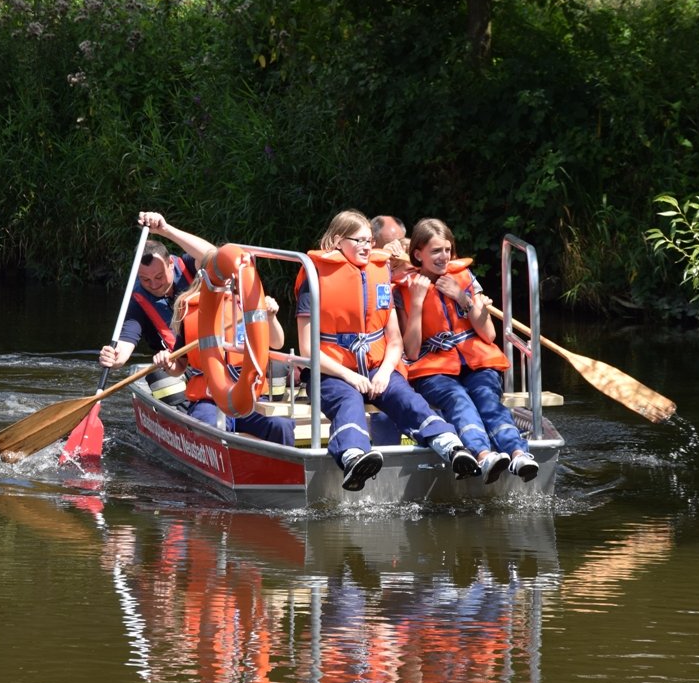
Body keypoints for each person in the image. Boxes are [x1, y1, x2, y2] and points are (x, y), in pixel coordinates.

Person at [294, 209, 479, 491]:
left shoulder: (379, 274)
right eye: (359, 241)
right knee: (347, 400)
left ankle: (450, 446)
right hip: (331, 370)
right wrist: (351, 376)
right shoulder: (314, 279)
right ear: (336, 241)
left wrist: (383, 372)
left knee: (404, 395)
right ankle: (354, 456)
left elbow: (395, 341)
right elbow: (308, 349)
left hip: (377, 364)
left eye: (370, 240)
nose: (367, 247)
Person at [395, 217, 540, 483]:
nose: (444, 257)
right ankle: (483, 455)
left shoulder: (463, 278)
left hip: (476, 362)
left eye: (448, 250)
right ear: (418, 254)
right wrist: (416, 304)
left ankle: (519, 453)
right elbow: (412, 352)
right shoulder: (404, 289)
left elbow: (490, 334)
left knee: (486, 397)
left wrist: (462, 297)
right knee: (458, 399)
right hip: (434, 369)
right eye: (436, 251)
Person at [153, 273, 296, 446]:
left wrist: (271, 316)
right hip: (209, 400)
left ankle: (282, 468)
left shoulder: (250, 305)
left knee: (281, 425)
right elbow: (180, 366)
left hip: (249, 397)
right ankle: (214, 467)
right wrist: (168, 363)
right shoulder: (191, 310)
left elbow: (277, 343)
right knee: (210, 425)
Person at [98, 212, 216, 404]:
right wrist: (114, 358)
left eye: (159, 277)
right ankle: (187, 419)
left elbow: (215, 257)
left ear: (170, 263)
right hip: (178, 365)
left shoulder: (191, 266)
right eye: (145, 279)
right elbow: (126, 343)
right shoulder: (137, 299)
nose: (153, 285)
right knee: (162, 382)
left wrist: (165, 230)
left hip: (216, 355)